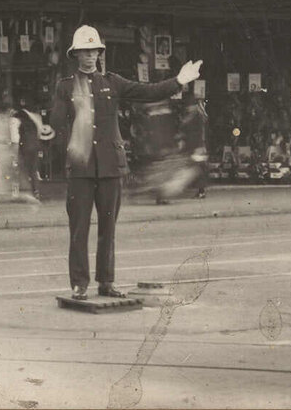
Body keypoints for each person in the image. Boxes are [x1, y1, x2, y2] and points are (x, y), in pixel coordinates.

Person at [50, 26, 201, 299]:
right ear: (76, 54)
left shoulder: (112, 82)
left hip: (110, 166)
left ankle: (106, 282)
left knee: (108, 229)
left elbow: (149, 92)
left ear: (99, 52)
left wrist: (179, 80)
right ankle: (79, 283)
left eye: (93, 50)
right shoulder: (65, 86)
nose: (90, 55)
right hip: (81, 168)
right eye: (84, 51)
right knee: (79, 229)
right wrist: (70, 135)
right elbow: (57, 125)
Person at [180, 95, 209, 200]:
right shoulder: (194, 116)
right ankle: (200, 190)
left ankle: (201, 191)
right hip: (194, 146)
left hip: (196, 147)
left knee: (198, 168)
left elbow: (198, 133)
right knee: (195, 168)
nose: (188, 109)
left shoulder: (196, 117)